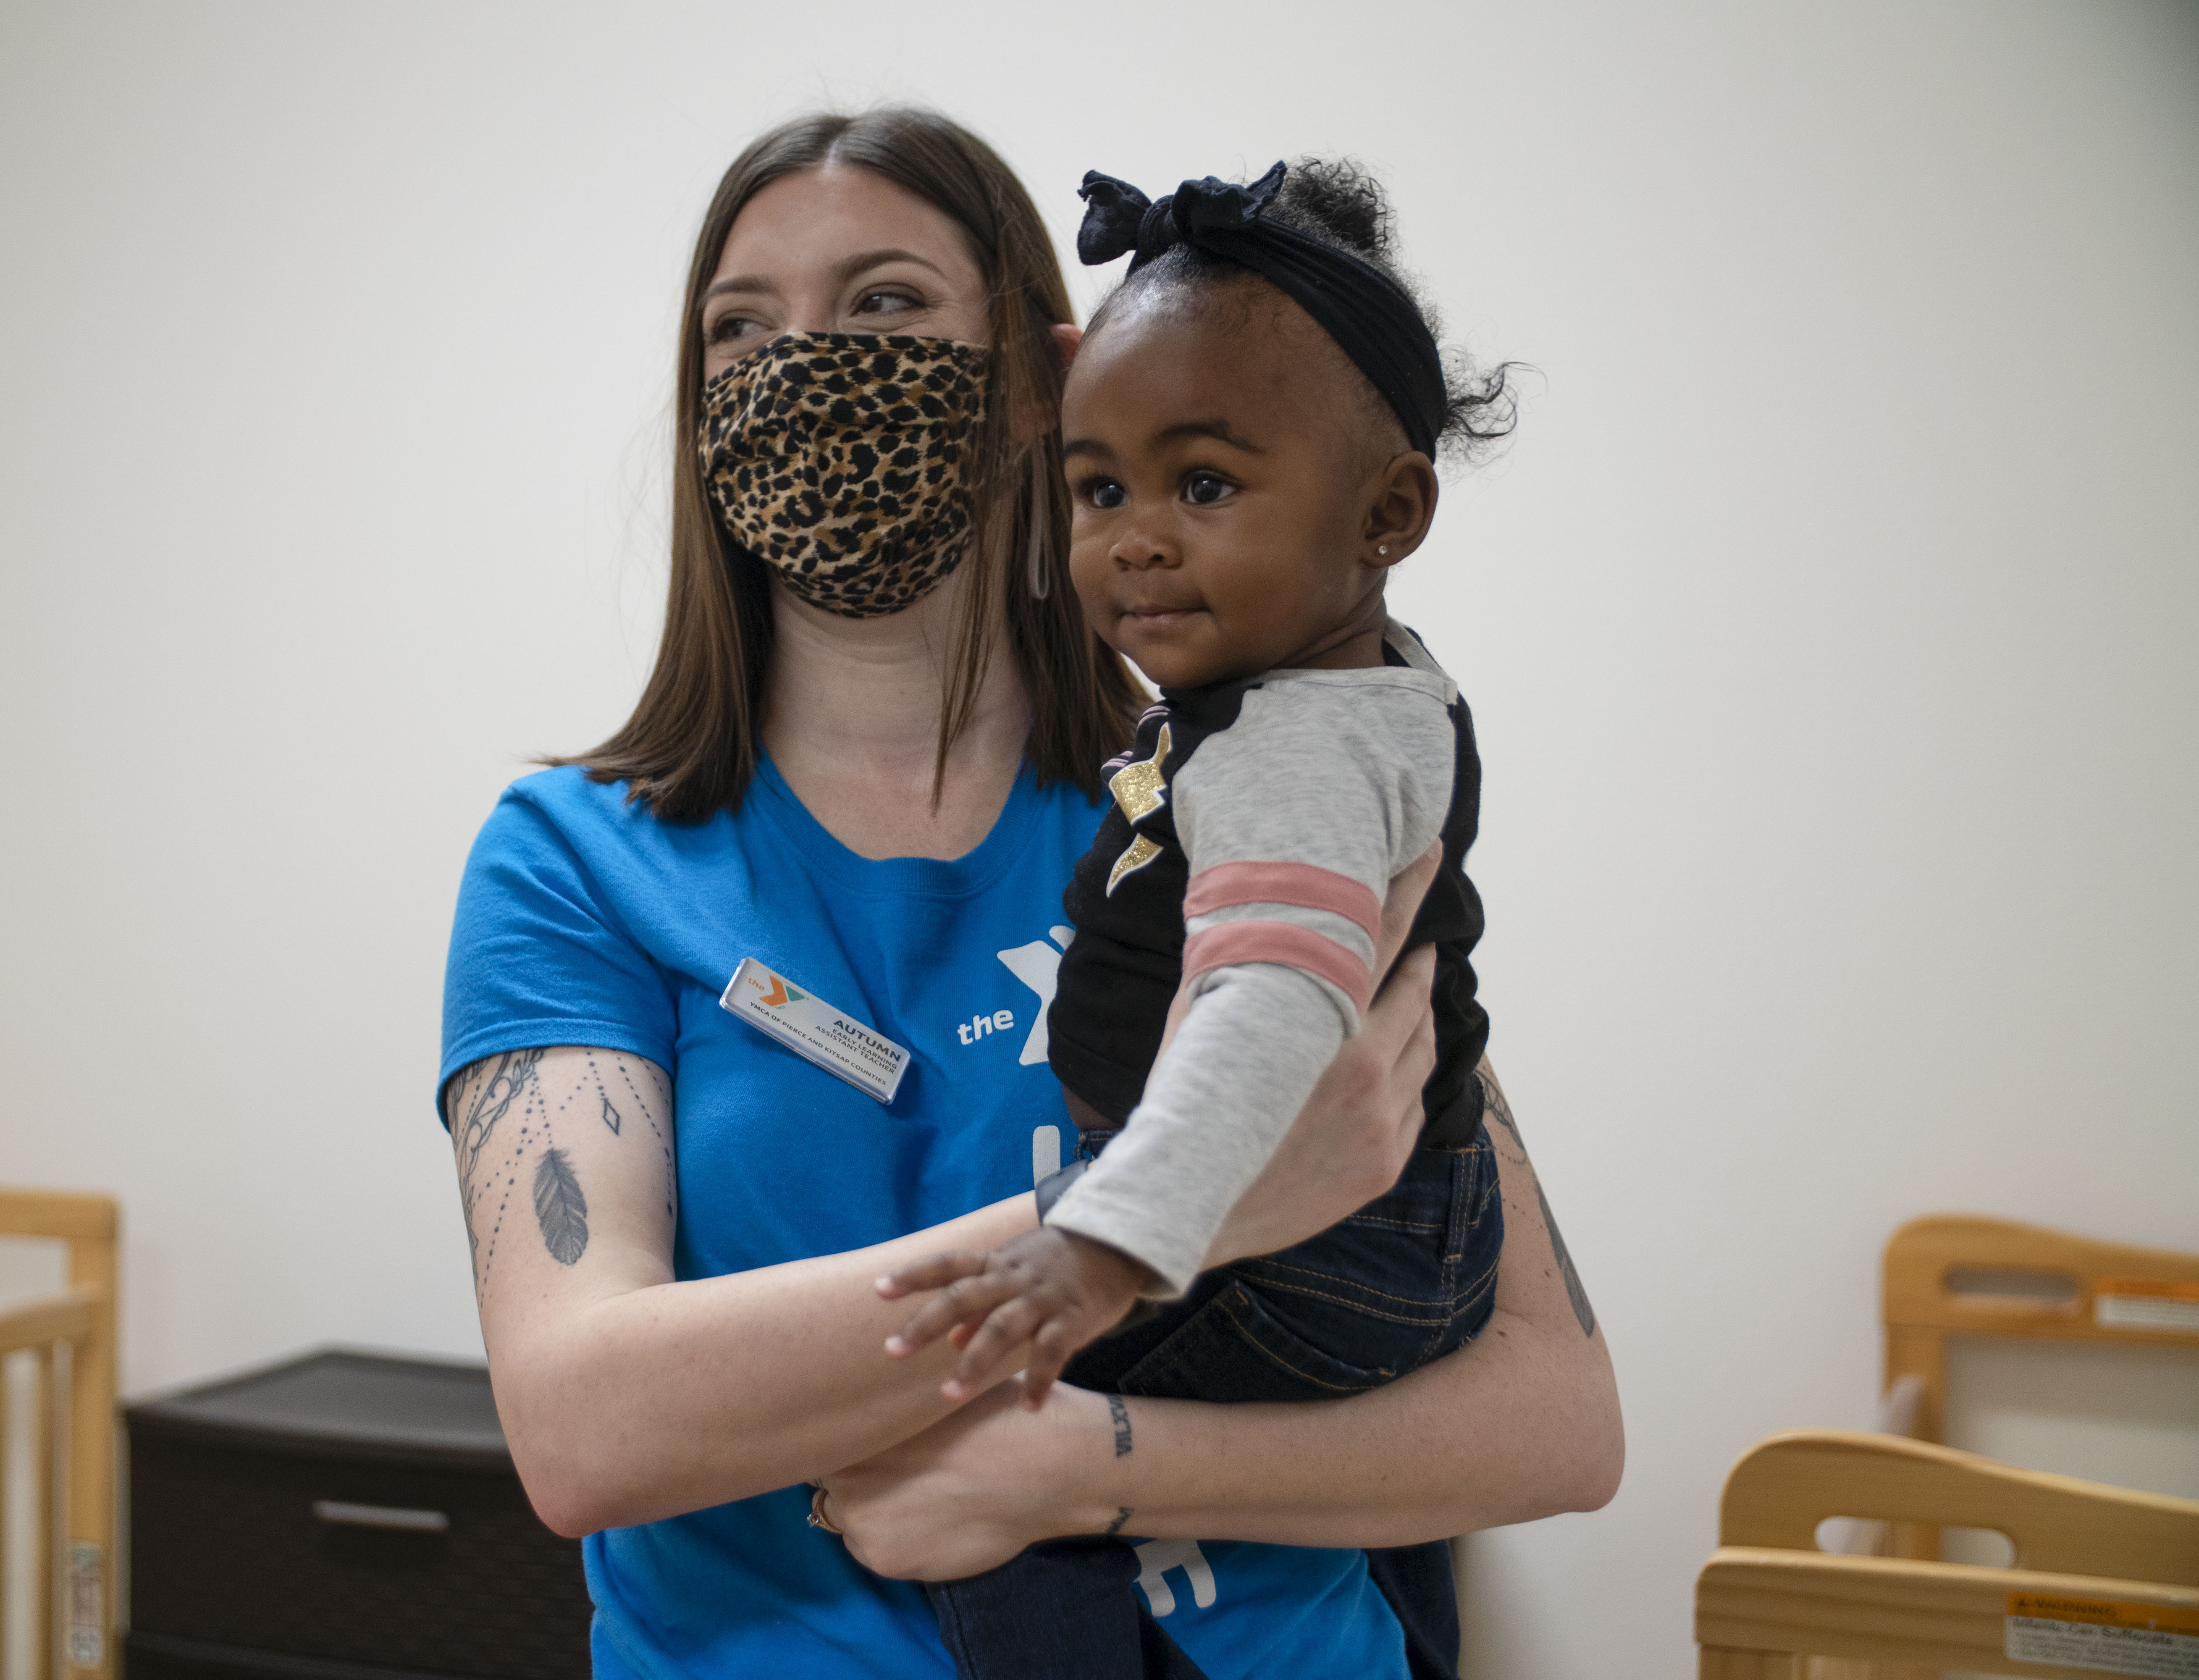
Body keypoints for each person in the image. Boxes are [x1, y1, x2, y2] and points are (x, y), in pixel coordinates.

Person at [438, 106, 1621, 1680]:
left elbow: (1557, 1417)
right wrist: (1168, 1213)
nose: (807, 364)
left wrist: (1089, 1465)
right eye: (742, 328)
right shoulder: (575, 862)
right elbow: (585, 1431)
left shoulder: (1241, 794)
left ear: (1036, 383)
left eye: (886, 306)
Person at [879, 157, 1512, 1680]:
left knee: (990, 1470)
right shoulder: (1317, 691)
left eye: (1206, 486)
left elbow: (1274, 1004)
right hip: (1361, 1240)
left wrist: (1104, 1249)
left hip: (1334, 1251)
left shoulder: (1300, 743)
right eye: (1101, 489)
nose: (1137, 538)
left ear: (1390, 513)